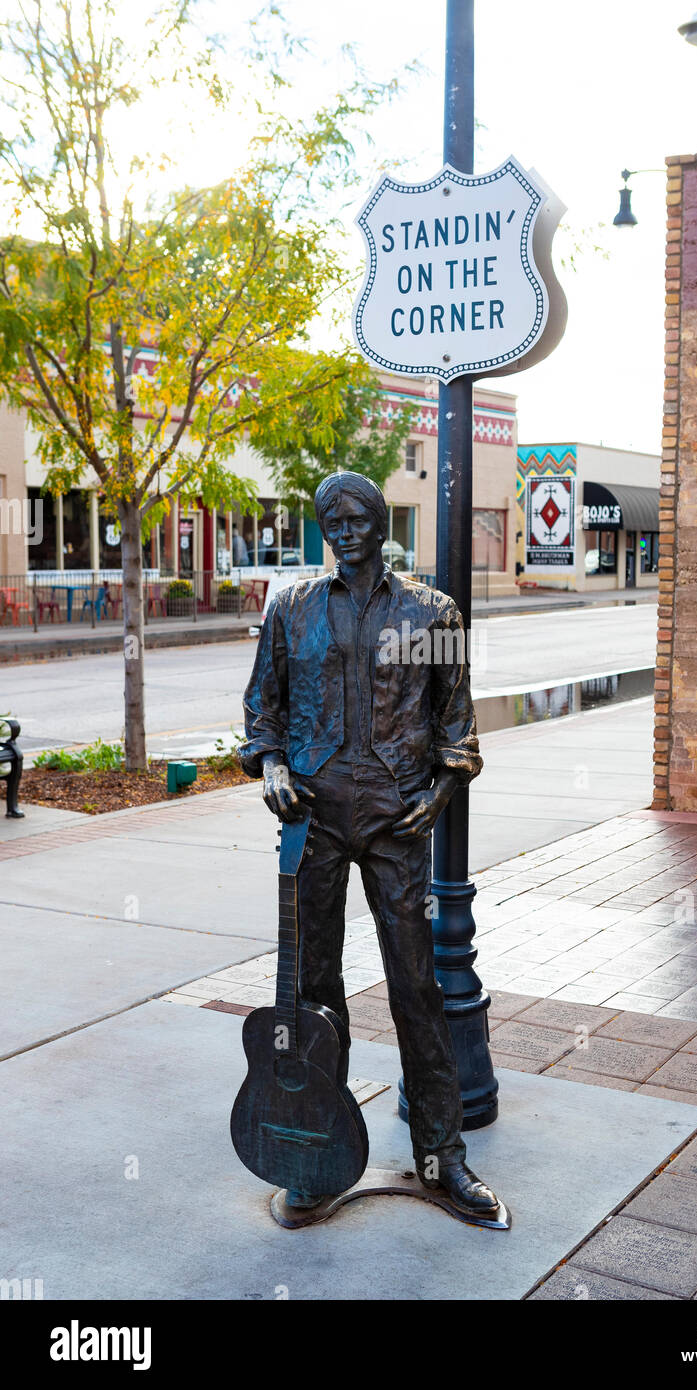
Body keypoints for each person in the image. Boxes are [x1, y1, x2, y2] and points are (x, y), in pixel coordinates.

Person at [239, 470, 499, 1215]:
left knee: (417, 988)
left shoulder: (429, 613)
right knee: (314, 995)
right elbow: (265, 710)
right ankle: (314, 1149)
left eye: (359, 518)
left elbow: (458, 725)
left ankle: (442, 1154)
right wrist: (275, 769)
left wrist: (439, 796)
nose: (347, 530)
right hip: (314, 819)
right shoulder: (291, 609)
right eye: (334, 521)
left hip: (394, 819)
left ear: (382, 524)